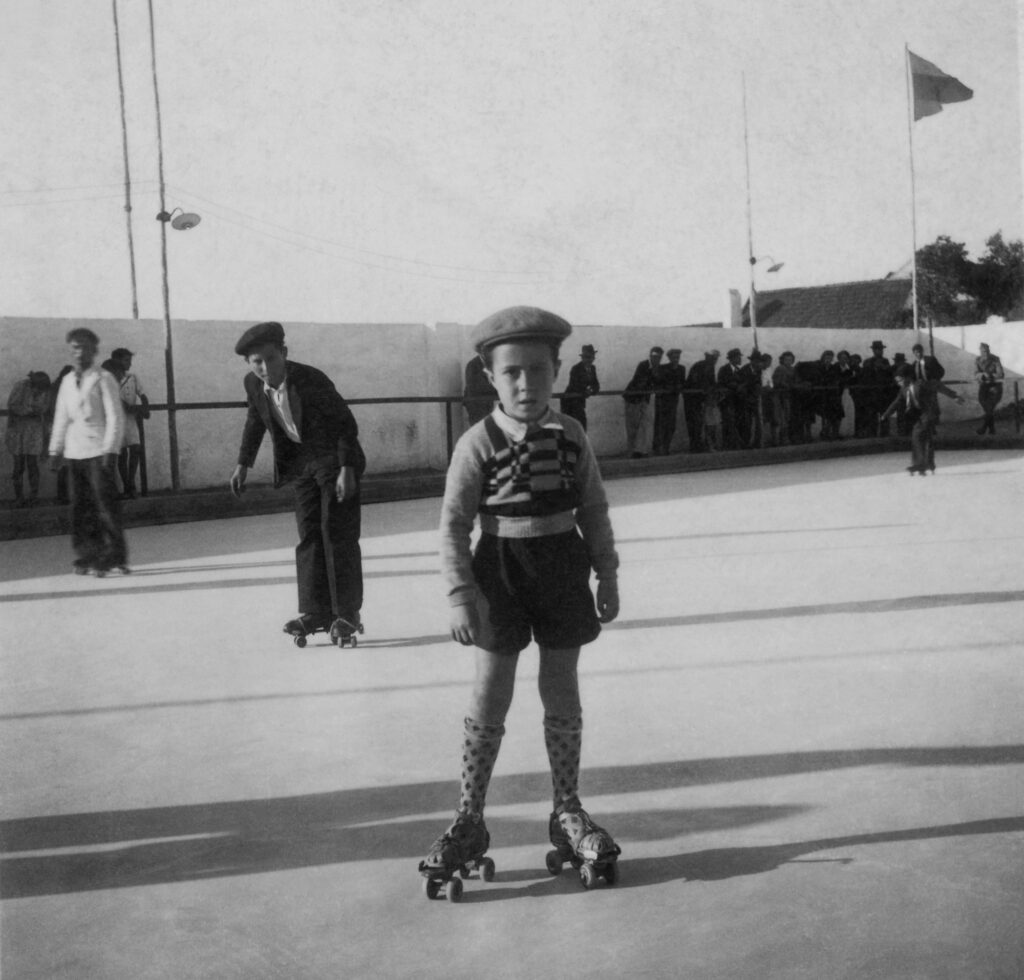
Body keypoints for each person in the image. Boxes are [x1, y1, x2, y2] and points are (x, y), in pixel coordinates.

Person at [420, 305, 621, 894]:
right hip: (499, 575)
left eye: (538, 370)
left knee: (561, 685)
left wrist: (606, 575)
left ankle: (566, 810)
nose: (526, 384)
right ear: (489, 376)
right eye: (512, 373)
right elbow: (454, 524)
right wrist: (461, 595)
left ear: (557, 370)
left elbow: (594, 510)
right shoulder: (476, 443)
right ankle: (469, 819)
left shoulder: (571, 434)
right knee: (491, 692)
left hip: (562, 568)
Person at [229, 322, 366, 645]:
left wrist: (347, 468)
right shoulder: (252, 384)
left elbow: (345, 424)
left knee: (337, 532)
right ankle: (316, 611)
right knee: (308, 535)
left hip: (334, 458)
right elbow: (255, 420)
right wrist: (242, 464)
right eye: (256, 361)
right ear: (249, 364)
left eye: (271, 359)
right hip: (302, 464)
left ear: (284, 354)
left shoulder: (310, 379)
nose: (265, 368)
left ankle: (346, 612)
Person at [48, 328, 128, 575]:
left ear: (94, 350)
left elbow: (116, 416)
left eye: (84, 346)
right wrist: (55, 449)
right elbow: (61, 417)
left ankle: (114, 555)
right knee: (80, 509)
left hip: (99, 451)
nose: (79, 352)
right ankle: (88, 555)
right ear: (70, 351)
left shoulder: (104, 378)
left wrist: (111, 450)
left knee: (104, 505)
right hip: (74, 452)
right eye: (75, 347)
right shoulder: (67, 382)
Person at [882, 363, 964, 474]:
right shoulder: (904, 390)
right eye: (897, 381)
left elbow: (937, 385)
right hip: (919, 415)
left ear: (908, 377)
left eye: (900, 380)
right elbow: (896, 403)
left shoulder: (921, 384)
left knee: (917, 434)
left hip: (929, 413)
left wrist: (955, 396)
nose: (899, 383)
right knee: (926, 438)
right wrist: (885, 415)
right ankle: (929, 464)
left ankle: (919, 464)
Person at [6, 371, 51, 507]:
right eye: (38, 388)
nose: (39, 391)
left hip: (34, 430)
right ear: (33, 383)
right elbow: (12, 405)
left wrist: (32, 410)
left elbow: (44, 408)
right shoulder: (21, 386)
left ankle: (33, 497)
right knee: (18, 466)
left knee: (33, 465)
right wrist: (30, 410)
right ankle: (19, 497)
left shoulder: (46, 390)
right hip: (18, 430)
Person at [111, 348, 150, 499]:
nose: (129, 363)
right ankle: (127, 484)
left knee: (136, 448)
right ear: (117, 361)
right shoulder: (110, 378)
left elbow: (143, 394)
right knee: (121, 453)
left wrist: (145, 407)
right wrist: (124, 405)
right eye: (126, 360)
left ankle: (131, 482)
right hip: (117, 420)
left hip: (130, 419)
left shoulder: (132, 377)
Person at [623, 345, 663, 457]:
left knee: (645, 424)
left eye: (659, 357)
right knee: (632, 426)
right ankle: (631, 451)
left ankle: (641, 450)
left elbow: (657, 383)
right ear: (650, 355)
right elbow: (640, 381)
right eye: (654, 356)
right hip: (633, 398)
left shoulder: (658, 368)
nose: (656, 359)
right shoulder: (643, 365)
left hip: (644, 398)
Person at [683, 349, 719, 452]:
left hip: (700, 399)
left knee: (700, 422)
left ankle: (698, 445)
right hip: (691, 399)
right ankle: (695, 446)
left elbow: (711, 382)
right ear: (707, 357)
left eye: (715, 358)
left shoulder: (711, 367)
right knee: (694, 422)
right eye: (712, 358)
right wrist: (705, 388)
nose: (714, 360)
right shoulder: (698, 366)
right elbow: (695, 382)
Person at [652, 348, 685, 455]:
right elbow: (658, 382)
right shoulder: (663, 368)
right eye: (674, 357)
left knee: (671, 425)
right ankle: (658, 448)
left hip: (673, 401)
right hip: (662, 401)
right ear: (669, 358)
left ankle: (666, 447)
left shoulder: (681, 369)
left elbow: (682, 383)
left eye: (677, 357)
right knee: (660, 425)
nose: (676, 359)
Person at [559, 344, 600, 430]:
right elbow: (574, 385)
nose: (590, 360)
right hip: (569, 402)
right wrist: (585, 392)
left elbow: (596, 385)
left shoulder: (592, 368)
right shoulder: (576, 369)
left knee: (582, 428)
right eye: (587, 357)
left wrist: (592, 391)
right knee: (572, 428)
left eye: (591, 357)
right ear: (583, 358)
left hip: (579, 402)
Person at [859, 340, 894, 437]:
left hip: (883, 393)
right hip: (872, 393)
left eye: (881, 349)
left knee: (884, 414)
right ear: (873, 350)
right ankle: (872, 434)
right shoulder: (868, 362)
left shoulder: (885, 361)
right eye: (877, 349)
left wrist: (883, 368)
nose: (880, 351)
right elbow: (865, 377)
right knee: (871, 415)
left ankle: (885, 433)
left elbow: (889, 375)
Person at [716, 348, 744, 449]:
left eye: (739, 357)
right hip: (727, 401)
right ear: (732, 358)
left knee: (737, 422)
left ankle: (735, 444)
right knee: (728, 422)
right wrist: (733, 386)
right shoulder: (724, 369)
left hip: (737, 401)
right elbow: (721, 383)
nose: (740, 359)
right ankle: (727, 444)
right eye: (738, 357)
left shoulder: (740, 370)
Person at [974, 342, 1005, 435]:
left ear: (989, 350)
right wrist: (980, 375)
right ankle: (992, 429)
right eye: (983, 351)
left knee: (990, 408)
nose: (985, 353)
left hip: (995, 387)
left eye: (987, 351)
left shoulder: (995, 359)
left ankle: (983, 428)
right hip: (983, 387)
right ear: (980, 351)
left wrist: (989, 375)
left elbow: (1001, 374)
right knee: (987, 408)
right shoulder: (978, 360)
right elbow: (976, 372)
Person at [463, 355, 497, 426]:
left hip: (486, 404)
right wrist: (497, 388)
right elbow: (476, 387)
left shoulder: (487, 364)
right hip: (475, 406)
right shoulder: (472, 365)